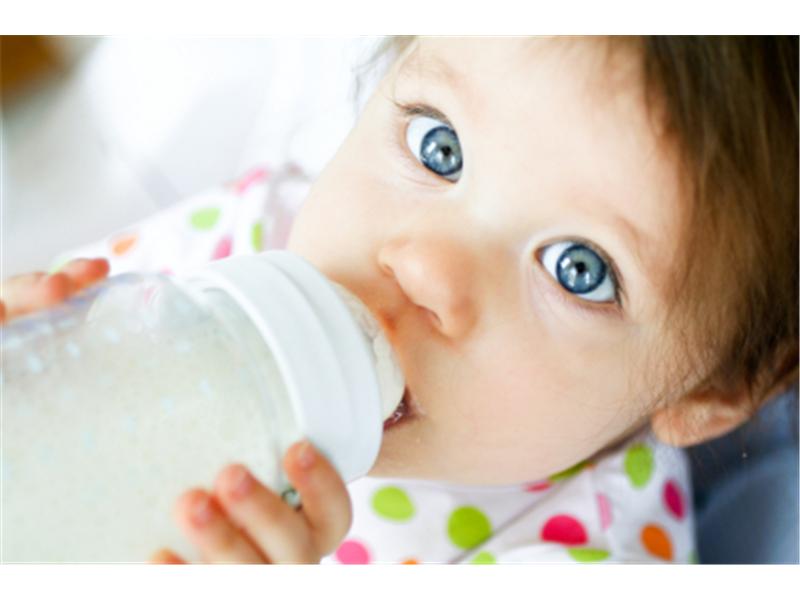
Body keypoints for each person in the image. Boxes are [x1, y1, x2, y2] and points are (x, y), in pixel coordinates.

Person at [1, 36, 796, 564]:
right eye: (437, 147)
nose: (422, 268)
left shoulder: (577, 562)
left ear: (712, 391)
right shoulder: (245, 237)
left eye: (576, 269)